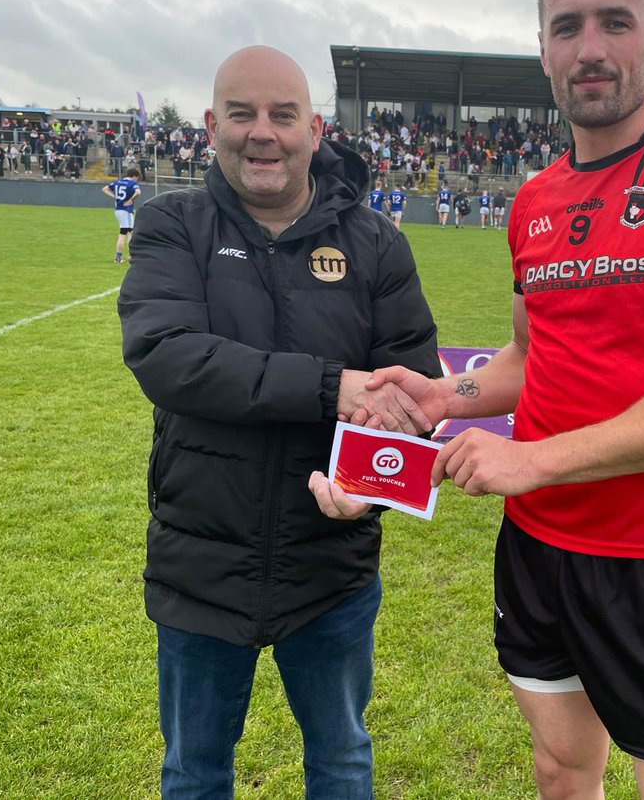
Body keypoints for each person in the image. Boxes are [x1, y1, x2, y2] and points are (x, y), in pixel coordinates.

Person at [313, 0, 644, 800]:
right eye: (567, 26)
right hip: (537, 550)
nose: (591, 48)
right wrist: (445, 393)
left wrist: (530, 459)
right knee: (560, 768)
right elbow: (534, 357)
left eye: (617, 21)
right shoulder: (534, 198)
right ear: (542, 49)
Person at [118, 45, 439, 800]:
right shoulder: (172, 225)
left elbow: (413, 391)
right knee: (194, 773)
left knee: (341, 761)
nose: (262, 132)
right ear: (210, 125)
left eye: (282, 115)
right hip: (202, 561)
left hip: (331, 565)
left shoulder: (377, 243)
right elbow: (167, 356)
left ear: (315, 129)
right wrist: (332, 387)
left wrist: (375, 488)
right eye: (242, 113)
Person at [103, 166, 142, 263]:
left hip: (118, 210)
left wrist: (115, 197)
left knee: (129, 232)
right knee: (125, 233)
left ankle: (129, 255)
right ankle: (120, 257)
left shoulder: (118, 182)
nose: (136, 181)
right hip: (126, 210)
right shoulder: (132, 183)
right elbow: (138, 192)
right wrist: (130, 200)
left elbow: (105, 189)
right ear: (134, 176)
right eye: (137, 178)